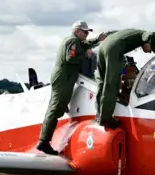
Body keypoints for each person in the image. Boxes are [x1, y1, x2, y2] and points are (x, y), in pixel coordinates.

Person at [36, 20, 107, 155]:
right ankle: (44, 141)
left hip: (66, 78)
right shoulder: (73, 41)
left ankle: (44, 140)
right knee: (55, 109)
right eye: (84, 32)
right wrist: (85, 55)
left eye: (87, 32)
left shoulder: (75, 41)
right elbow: (71, 58)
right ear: (77, 31)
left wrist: (97, 39)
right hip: (64, 79)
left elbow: (84, 45)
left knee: (58, 107)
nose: (86, 34)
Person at [95, 29, 155, 128]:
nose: (149, 52)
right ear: (148, 42)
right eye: (150, 49)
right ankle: (106, 118)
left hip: (102, 47)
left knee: (102, 82)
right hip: (113, 50)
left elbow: (110, 34)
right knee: (112, 83)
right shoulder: (143, 35)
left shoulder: (131, 32)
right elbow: (151, 34)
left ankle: (99, 114)